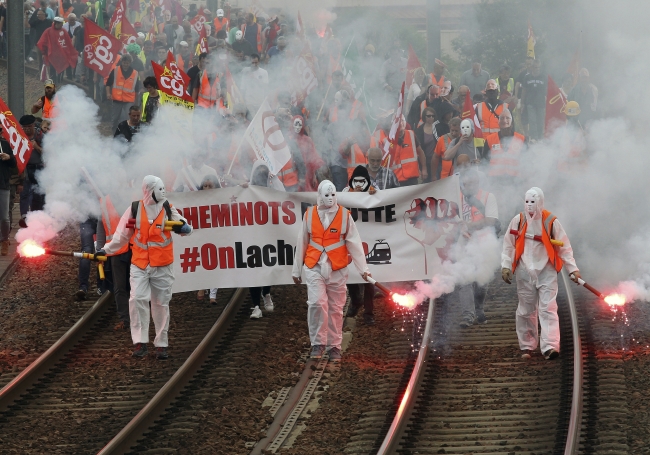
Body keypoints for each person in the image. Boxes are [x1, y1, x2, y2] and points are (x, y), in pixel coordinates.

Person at [97, 175, 193, 359]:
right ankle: (140, 342)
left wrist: (185, 228)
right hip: (140, 263)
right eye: (159, 188)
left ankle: (161, 344)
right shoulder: (134, 209)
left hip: (163, 265)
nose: (163, 191)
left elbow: (184, 225)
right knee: (137, 299)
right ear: (148, 190)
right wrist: (105, 251)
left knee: (160, 304)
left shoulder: (167, 208)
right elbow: (121, 237)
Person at [292, 180, 371, 361]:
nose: (330, 198)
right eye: (326, 195)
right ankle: (317, 343)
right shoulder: (309, 215)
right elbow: (301, 241)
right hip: (314, 265)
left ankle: (334, 345)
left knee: (336, 308)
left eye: (333, 195)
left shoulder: (344, 215)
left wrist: (363, 269)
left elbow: (355, 243)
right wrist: (296, 270)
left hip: (337, 267)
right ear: (319, 196)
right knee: (317, 303)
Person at [501, 187, 581, 360]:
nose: (530, 206)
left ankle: (550, 346)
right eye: (527, 201)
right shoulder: (518, 221)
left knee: (548, 308)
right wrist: (506, 266)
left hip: (546, 270)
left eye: (533, 202)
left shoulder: (551, 221)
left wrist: (572, 269)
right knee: (525, 309)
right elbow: (508, 244)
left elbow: (564, 247)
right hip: (524, 270)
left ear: (540, 203)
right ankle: (527, 346)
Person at [456, 169, 499, 327]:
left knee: (481, 279)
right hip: (463, 243)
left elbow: (491, 220)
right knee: (464, 278)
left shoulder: (488, 197)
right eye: (466, 183)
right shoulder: (457, 198)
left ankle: (479, 308)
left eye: (472, 182)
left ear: (478, 182)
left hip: (483, 242)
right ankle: (468, 315)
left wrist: (470, 225)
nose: (469, 186)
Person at [342, 165, 377, 325]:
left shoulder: (373, 191)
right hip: (350, 241)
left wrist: (373, 195)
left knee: (369, 277)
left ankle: (369, 313)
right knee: (350, 274)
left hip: (368, 241)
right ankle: (356, 301)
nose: (358, 185)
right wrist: (352, 198)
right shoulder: (343, 193)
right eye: (355, 181)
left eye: (362, 181)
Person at [248, 161, 282, 318]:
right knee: (253, 271)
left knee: (268, 267)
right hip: (252, 237)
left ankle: (266, 293)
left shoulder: (273, 189)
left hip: (269, 236)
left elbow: (285, 198)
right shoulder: (247, 191)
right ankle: (255, 306)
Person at [19, 115, 45, 228]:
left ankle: (38, 217)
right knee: (24, 192)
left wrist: (37, 147)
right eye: (24, 127)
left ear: (34, 125)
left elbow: (49, 153)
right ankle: (24, 217)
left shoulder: (41, 136)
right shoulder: (20, 136)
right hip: (25, 168)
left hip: (39, 168)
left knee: (38, 194)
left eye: (29, 126)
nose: (27, 129)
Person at [106, 54, 141, 132]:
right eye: (124, 62)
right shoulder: (115, 70)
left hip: (129, 100)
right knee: (115, 118)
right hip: (116, 99)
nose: (125, 64)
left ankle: (128, 133)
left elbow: (136, 89)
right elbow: (108, 84)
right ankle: (114, 132)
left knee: (128, 117)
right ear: (122, 62)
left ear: (130, 62)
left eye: (127, 63)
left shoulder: (135, 73)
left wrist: (136, 102)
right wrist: (108, 93)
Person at [415, 106, 449, 183]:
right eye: (428, 116)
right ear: (424, 117)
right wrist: (423, 168)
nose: (431, 118)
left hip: (438, 161)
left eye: (433, 116)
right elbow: (418, 150)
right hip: (425, 162)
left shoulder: (439, 128)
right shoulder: (419, 130)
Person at [520, 59, 546, 141]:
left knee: (540, 121)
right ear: (531, 67)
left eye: (538, 67)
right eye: (535, 67)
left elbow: (547, 90)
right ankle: (534, 138)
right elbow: (524, 91)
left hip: (541, 103)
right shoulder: (527, 77)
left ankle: (540, 138)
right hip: (530, 102)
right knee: (532, 121)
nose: (537, 69)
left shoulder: (544, 77)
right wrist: (522, 103)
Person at [0, 132, 16, 256]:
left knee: (4, 216)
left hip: (3, 184)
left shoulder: (5, 145)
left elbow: (14, 163)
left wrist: (9, 157)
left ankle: (5, 240)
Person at [76, 216, 98, 300]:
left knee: (86, 251)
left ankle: (83, 287)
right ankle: (102, 285)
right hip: (98, 216)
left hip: (86, 217)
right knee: (102, 250)